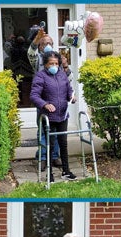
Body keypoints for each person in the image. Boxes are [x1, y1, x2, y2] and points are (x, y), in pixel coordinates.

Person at [30, 50, 77, 183]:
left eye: (56, 63)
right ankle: (49, 174)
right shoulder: (40, 76)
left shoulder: (62, 75)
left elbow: (69, 90)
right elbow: (34, 96)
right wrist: (45, 105)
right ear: (45, 64)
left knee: (63, 144)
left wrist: (71, 97)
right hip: (48, 117)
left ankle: (66, 172)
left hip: (62, 115)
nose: (54, 66)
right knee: (50, 145)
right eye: (51, 63)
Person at [27, 29, 65, 171]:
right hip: (42, 102)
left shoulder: (57, 61)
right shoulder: (38, 60)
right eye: (45, 43)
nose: (48, 45)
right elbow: (31, 53)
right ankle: (42, 158)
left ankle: (55, 157)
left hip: (57, 102)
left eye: (50, 43)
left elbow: (66, 79)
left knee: (55, 130)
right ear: (41, 47)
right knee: (43, 130)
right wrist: (37, 40)